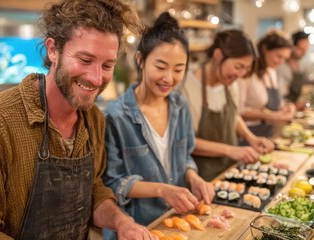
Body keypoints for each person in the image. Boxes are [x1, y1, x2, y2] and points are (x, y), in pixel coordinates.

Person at [0, 0, 157, 239]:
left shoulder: (94, 119)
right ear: (53, 50)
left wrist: (122, 222)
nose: (96, 78)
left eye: (107, 65)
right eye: (85, 60)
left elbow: (94, 190)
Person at [102, 12, 215, 239]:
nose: (169, 78)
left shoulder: (179, 105)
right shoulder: (115, 116)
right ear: (141, 60)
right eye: (161, 66)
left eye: (178, 69)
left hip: (175, 221)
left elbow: (185, 157)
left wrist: (194, 177)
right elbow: (111, 183)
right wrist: (162, 189)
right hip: (138, 227)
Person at [181, 29, 274, 182]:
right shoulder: (186, 87)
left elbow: (234, 116)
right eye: (238, 66)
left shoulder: (229, 82)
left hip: (229, 171)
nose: (241, 74)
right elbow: (185, 141)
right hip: (199, 178)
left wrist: (250, 138)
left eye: (246, 68)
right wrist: (230, 150)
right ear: (218, 55)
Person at [238, 29, 295, 139]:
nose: (281, 62)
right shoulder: (247, 74)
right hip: (247, 134)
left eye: (285, 58)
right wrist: (270, 116)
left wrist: (287, 107)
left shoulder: (271, 71)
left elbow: (273, 104)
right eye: (279, 56)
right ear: (264, 49)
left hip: (268, 133)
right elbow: (238, 112)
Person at [277, 30, 310, 105]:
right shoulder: (280, 66)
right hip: (282, 106)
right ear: (292, 46)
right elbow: (279, 95)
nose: (304, 52)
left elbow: (306, 87)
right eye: (301, 49)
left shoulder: (303, 65)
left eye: (306, 49)